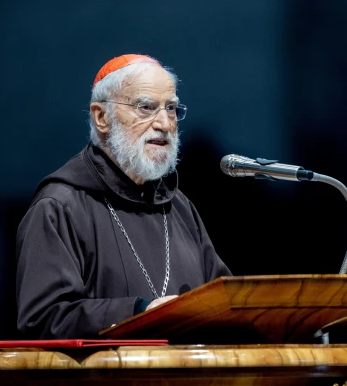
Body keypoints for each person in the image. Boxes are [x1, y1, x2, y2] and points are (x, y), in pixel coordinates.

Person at [15, 54, 232, 339]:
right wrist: (140, 311)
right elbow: (44, 319)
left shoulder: (179, 207)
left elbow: (225, 304)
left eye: (171, 109)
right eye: (146, 108)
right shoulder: (59, 206)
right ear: (101, 117)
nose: (164, 123)